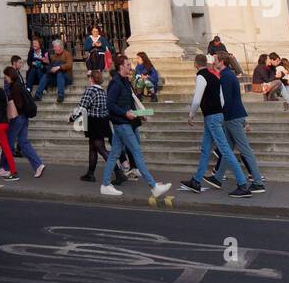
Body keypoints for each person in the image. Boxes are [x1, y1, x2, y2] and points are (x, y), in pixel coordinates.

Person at [98, 59, 171, 199]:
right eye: (127, 65)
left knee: (114, 155)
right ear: (120, 67)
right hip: (122, 124)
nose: (130, 67)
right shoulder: (116, 82)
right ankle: (153, 186)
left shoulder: (125, 81)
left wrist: (139, 115)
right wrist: (125, 113)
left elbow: (129, 104)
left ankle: (105, 185)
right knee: (136, 152)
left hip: (124, 123)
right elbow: (110, 104)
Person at [181, 54, 252, 196]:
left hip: (211, 117)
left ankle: (243, 184)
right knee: (206, 149)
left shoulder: (201, 76)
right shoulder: (214, 76)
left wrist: (191, 115)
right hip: (217, 115)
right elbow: (222, 99)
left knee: (225, 150)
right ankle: (196, 181)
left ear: (195, 64)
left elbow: (197, 99)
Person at [205, 53, 266, 194]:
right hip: (233, 116)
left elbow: (225, 100)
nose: (213, 62)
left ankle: (258, 182)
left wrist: (218, 114)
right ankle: (218, 177)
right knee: (227, 149)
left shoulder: (226, 76)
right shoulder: (228, 75)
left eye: (215, 60)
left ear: (221, 62)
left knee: (245, 150)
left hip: (232, 117)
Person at [78, 68, 120, 183]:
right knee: (92, 148)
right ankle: (90, 174)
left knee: (101, 149)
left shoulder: (90, 90)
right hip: (103, 121)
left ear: (91, 79)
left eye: (89, 77)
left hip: (93, 122)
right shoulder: (103, 91)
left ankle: (118, 172)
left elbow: (82, 107)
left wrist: (72, 118)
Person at [3, 65, 45, 177]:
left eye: (6, 76)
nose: (5, 78)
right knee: (23, 142)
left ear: (10, 76)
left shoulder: (14, 87)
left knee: (9, 142)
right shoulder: (19, 84)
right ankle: (38, 165)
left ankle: (7, 168)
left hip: (18, 117)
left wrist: (12, 109)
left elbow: (19, 104)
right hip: (24, 117)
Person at [34, 38, 73, 105]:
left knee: (60, 73)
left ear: (60, 47)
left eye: (55, 47)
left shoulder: (67, 54)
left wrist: (59, 67)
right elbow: (50, 67)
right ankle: (38, 95)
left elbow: (69, 65)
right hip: (56, 78)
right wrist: (48, 64)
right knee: (46, 75)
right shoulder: (54, 56)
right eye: (53, 47)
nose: (53, 49)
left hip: (66, 78)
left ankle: (61, 95)